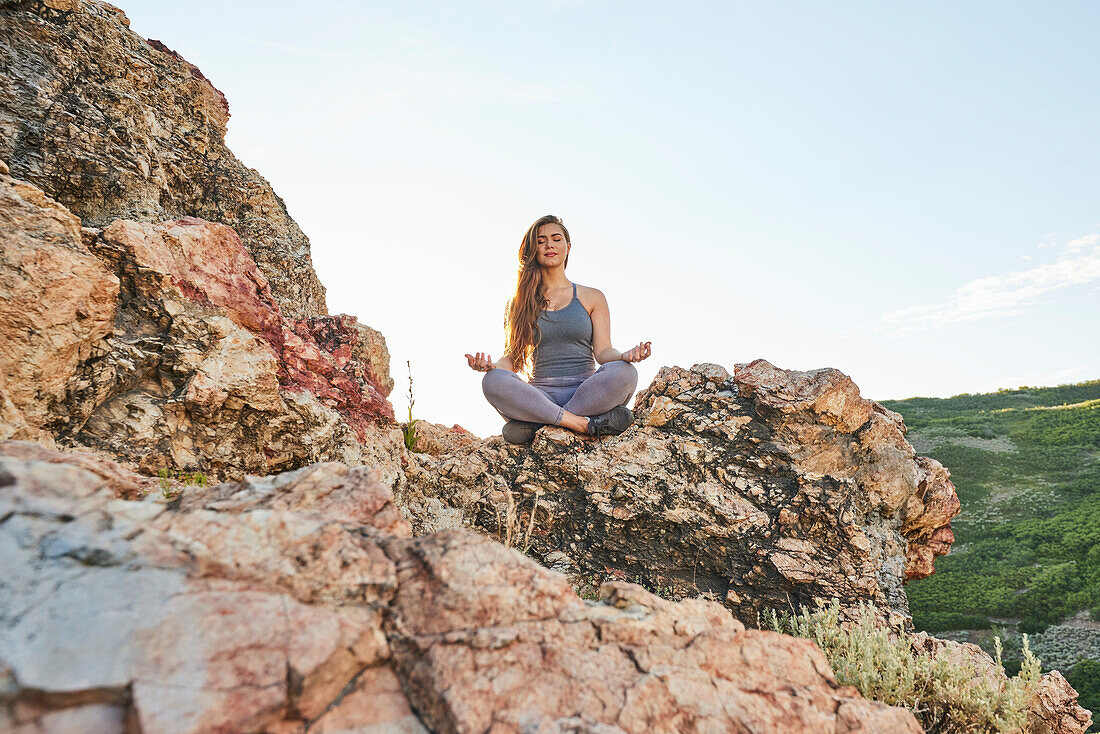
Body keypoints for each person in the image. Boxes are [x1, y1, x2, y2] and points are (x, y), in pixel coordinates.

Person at [465, 214, 652, 444]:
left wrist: (623, 356)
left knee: (625, 372)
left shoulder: (592, 297)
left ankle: (536, 426)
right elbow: (513, 360)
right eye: (541, 241)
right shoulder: (518, 303)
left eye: (556, 239)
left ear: (568, 247)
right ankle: (583, 424)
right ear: (533, 249)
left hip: (585, 392)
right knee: (492, 381)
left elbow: (603, 351)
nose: (549, 245)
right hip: (540, 396)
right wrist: (491, 367)